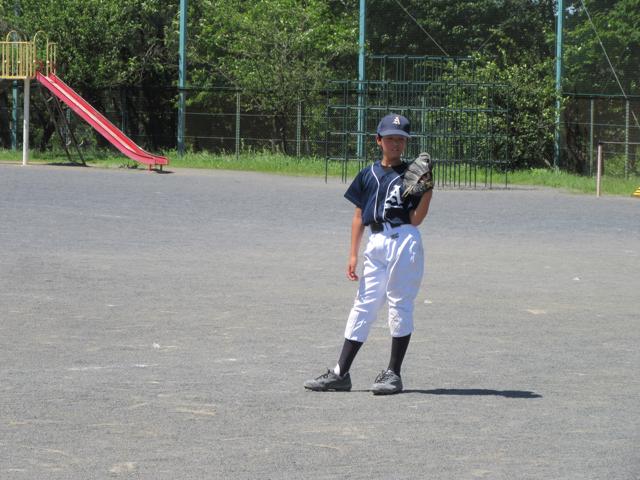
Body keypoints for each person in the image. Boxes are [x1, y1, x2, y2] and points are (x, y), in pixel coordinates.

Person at [304, 113, 433, 395]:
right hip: (375, 242)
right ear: (378, 140)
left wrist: (427, 193)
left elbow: (416, 219)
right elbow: (358, 216)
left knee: (399, 304)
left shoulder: (411, 174)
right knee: (363, 304)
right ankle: (340, 373)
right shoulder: (367, 174)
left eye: (401, 139)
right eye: (390, 138)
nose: (396, 143)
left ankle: (393, 373)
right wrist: (353, 254)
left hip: (404, 239)